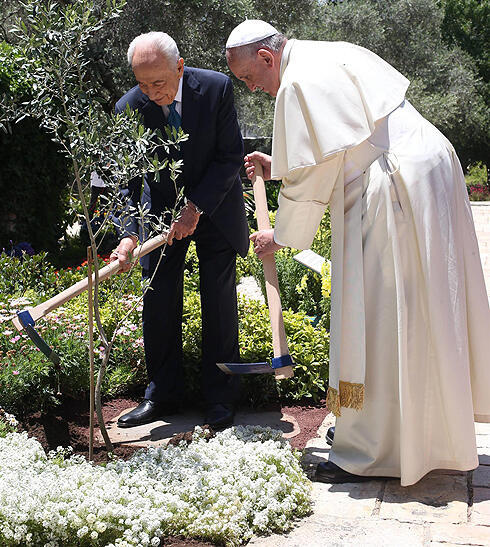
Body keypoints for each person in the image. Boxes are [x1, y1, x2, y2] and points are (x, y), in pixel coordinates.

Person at [226, 20, 490, 486]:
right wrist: (279, 166)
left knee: (383, 318)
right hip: (424, 165)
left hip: (395, 184)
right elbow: (335, 150)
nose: (254, 88)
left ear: (267, 58)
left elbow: (313, 172)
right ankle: (419, 435)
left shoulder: (297, 82)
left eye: (250, 78)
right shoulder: (326, 52)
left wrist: (283, 237)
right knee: (418, 310)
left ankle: (374, 452)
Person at [112, 31, 249, 430]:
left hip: (215, 209)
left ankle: (220, 398)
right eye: (142, 83)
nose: (151, 93)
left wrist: (196, 207)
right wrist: (128, 232)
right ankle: (163, 393)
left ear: (180, 67)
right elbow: (128, 180)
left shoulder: (216, 88)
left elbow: (229, 157)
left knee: (218, 304)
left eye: (159, 82)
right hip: (159, 221)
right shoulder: (130, 107)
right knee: (158, 300)